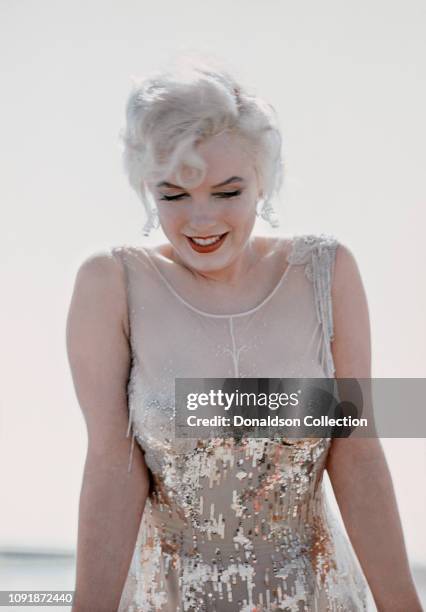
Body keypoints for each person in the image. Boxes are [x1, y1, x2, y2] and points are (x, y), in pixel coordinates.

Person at [66, 57, 422, 611]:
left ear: (264, 180)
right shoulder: (111, 283)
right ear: (145, 187)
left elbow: (356, 454)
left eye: (227, 193)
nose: (201, 221)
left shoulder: (325, 272)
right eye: (174, 195)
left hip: (316, 597)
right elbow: (112, 466)